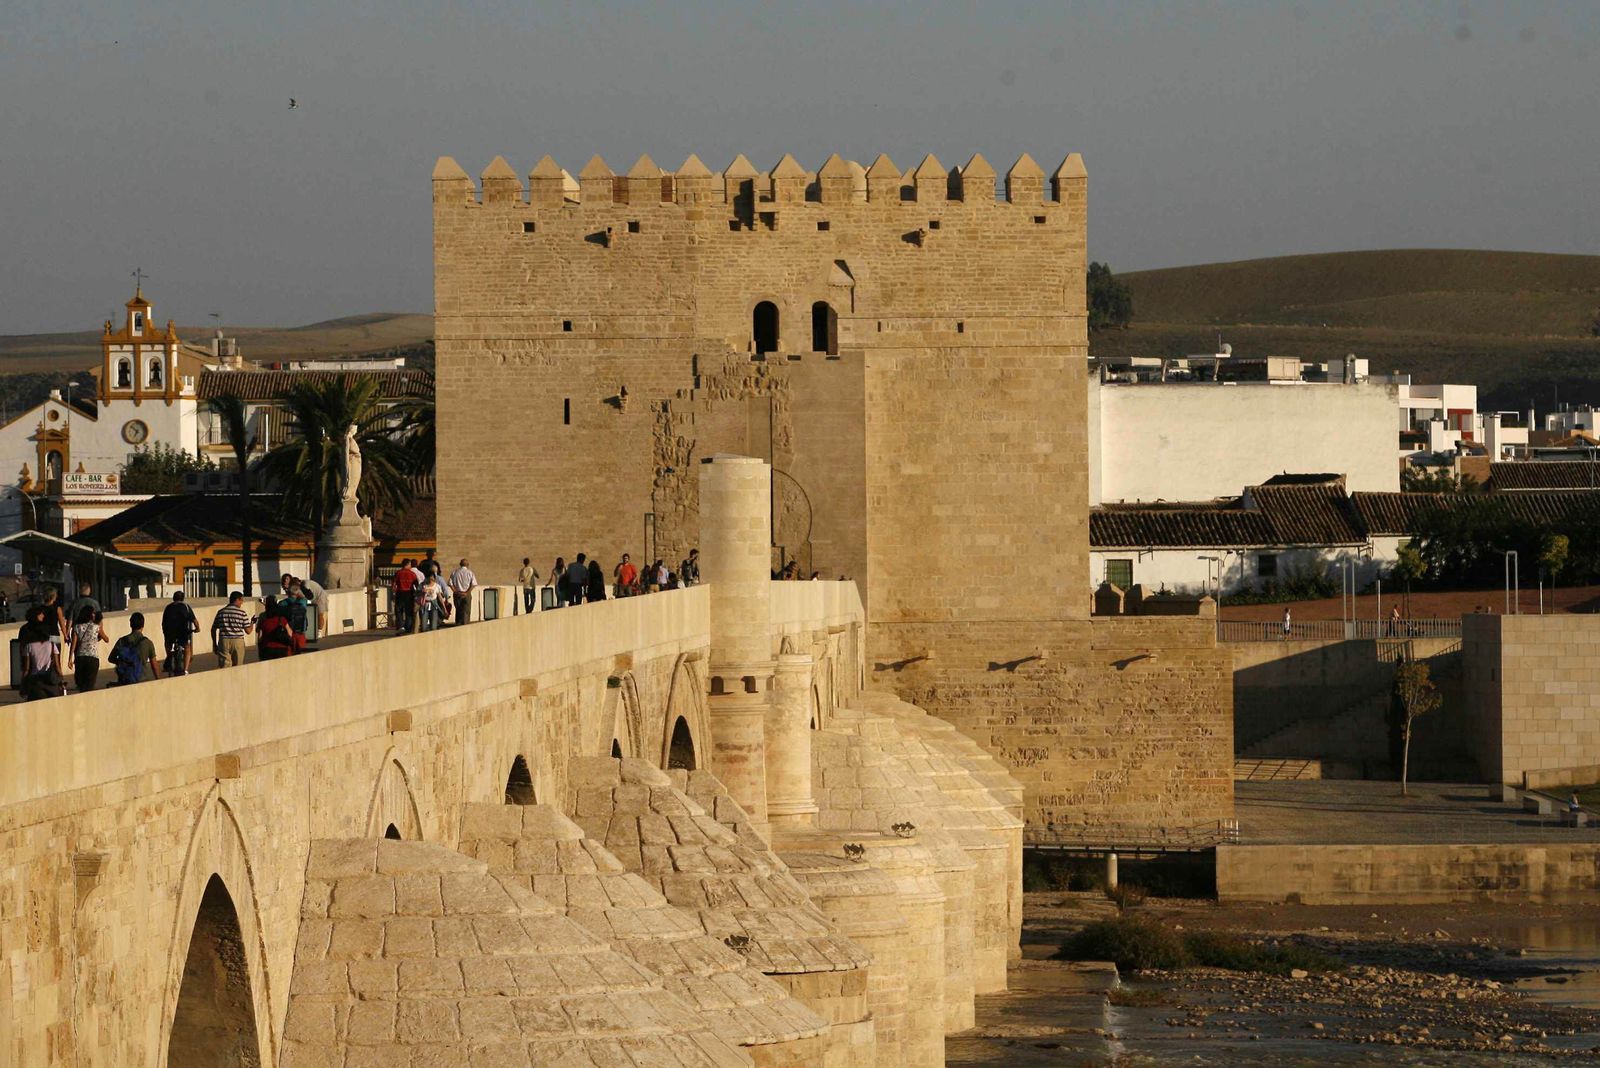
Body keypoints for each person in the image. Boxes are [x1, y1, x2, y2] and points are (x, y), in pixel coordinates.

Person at [108, 612, 160, 683]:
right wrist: (159, 681)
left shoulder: (121, 641)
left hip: (124, 680)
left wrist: (123, 663)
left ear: (130, 624)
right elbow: (154, 666)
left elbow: (111, 658)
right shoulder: (148, 643)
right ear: (143, 625)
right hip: (141, 680)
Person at [67, 606, 108, 692]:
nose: (94, 615)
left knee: (81, 686)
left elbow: (73, 644)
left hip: (80, 658)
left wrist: (70, 659)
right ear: (90, 615)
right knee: (89, 686)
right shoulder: (96, 627)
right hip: (92, 658)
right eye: (93, 613)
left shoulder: (77, 627)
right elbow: (106, 639)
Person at [19, 624, 63, 700]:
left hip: (35, 682)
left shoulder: (29, 646)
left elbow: (26, 669)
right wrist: (61, 679)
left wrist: (22, 685)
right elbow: (57, 666)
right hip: (50, 680)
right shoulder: (51, 645)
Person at [161, 591, 199, 675]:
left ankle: (169, 656)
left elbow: (163, 622)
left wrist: (165, 632)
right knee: (187, 648)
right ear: (183, 598)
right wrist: (197, 628)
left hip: (170, 632)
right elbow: (194, 620)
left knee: (167, 643)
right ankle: (185, 670)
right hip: (182, 631)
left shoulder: (168, 607)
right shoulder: (186, 606)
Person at [211, 592, 254, 668]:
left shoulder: (221, 612)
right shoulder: (241, 613)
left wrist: (214, 644)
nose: (242, 603)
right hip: (238, 641)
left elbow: (213, 629)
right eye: (241, 600)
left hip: (224, 641)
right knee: (238, 667)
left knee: (224, 667)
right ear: (237, 599)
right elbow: (248, 631)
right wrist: (252, 623)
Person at [449, 558, 478, 625]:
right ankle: (465, 626)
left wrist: (455, 591)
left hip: (457, 594)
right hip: (466, 594)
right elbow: (473, 584)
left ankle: (458, 625)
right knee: (466, 612)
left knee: (458, 611)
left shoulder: (455, 572)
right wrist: (467, 592)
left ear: (460, 564)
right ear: (468, 565)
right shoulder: (470, 573)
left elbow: (450, 584)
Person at [393, 559, 417, 633]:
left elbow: (394, 584)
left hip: (400, 593)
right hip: (409, 594)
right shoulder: (412, 574)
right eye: (410, 565)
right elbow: (417, 585)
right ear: (408, 564)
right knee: (409, 611)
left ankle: (400, 626)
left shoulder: (398, 573)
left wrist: (393, 594)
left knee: (399, 610)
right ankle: (408, 628)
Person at [302, 575, 327, 641]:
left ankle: (319, 632)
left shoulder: (305, 583)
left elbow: (309, 593)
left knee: (320, 614)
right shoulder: (300, 587)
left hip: (320, 596)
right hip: (313, 597)